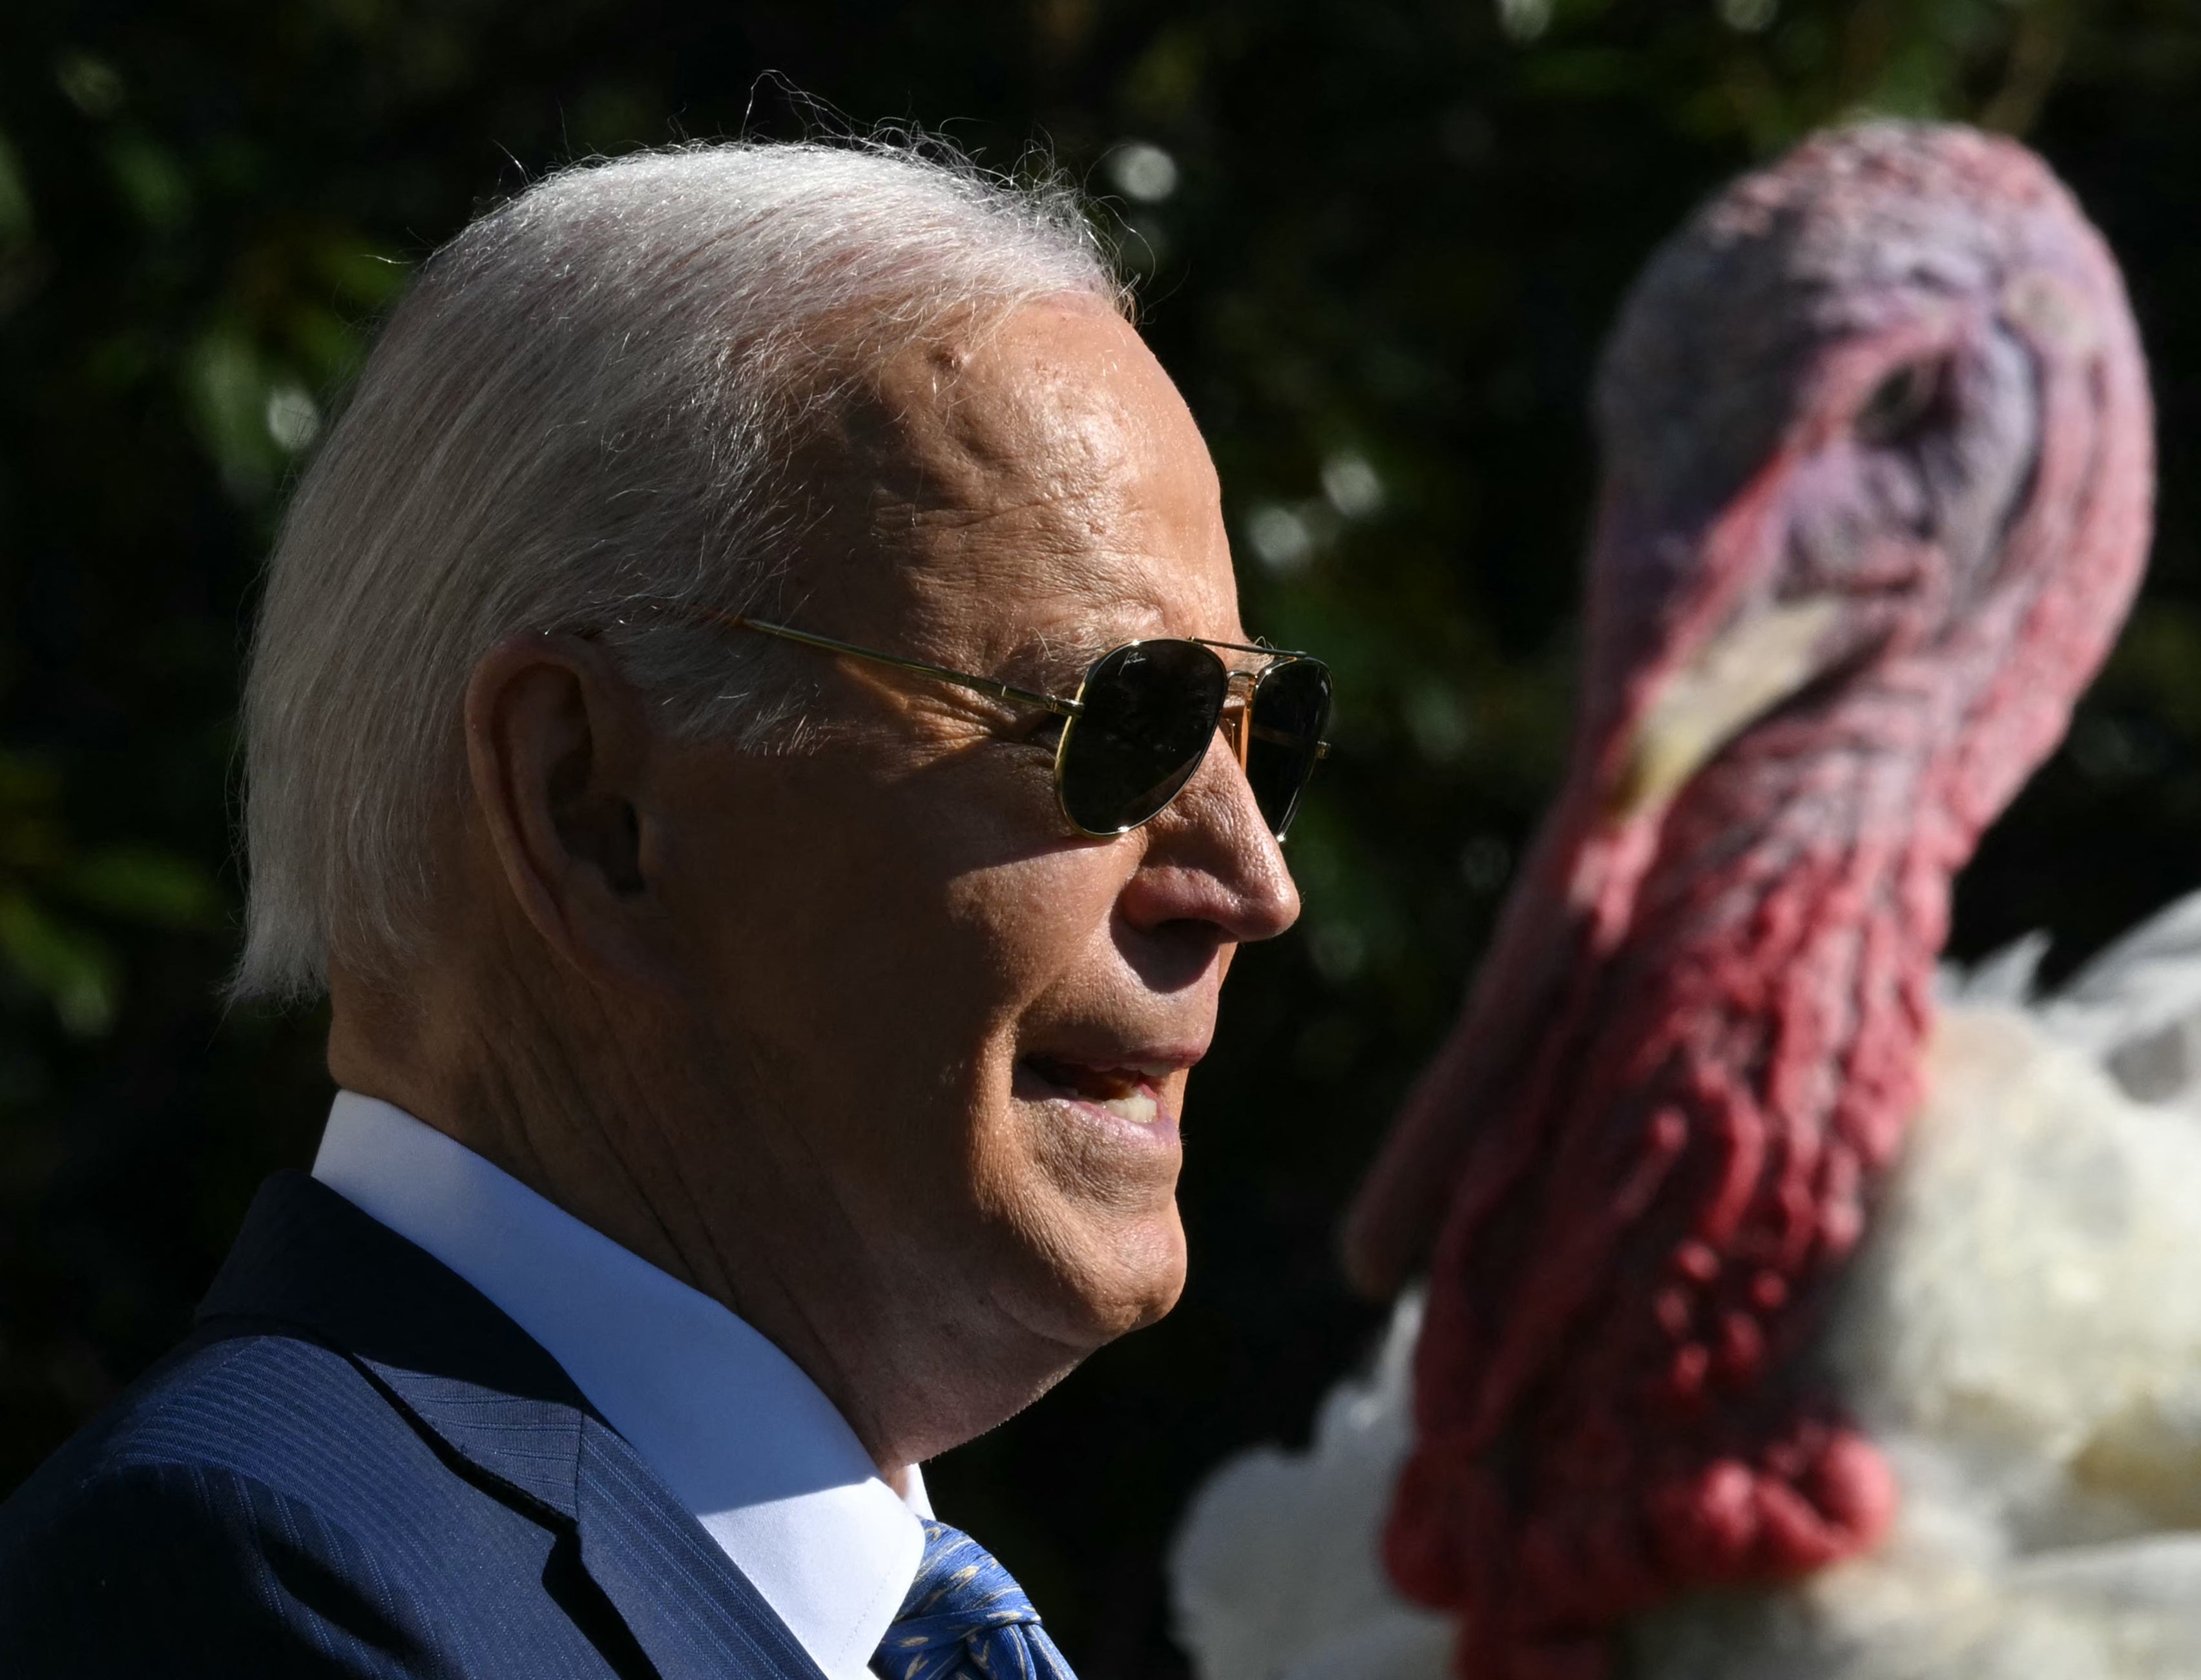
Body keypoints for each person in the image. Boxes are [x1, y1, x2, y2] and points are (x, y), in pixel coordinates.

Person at [0, 140, 1322, 1680]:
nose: (1250, 884)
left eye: (1258, 736)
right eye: (1119, 722)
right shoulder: (251, 1594)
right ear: (593, 807)